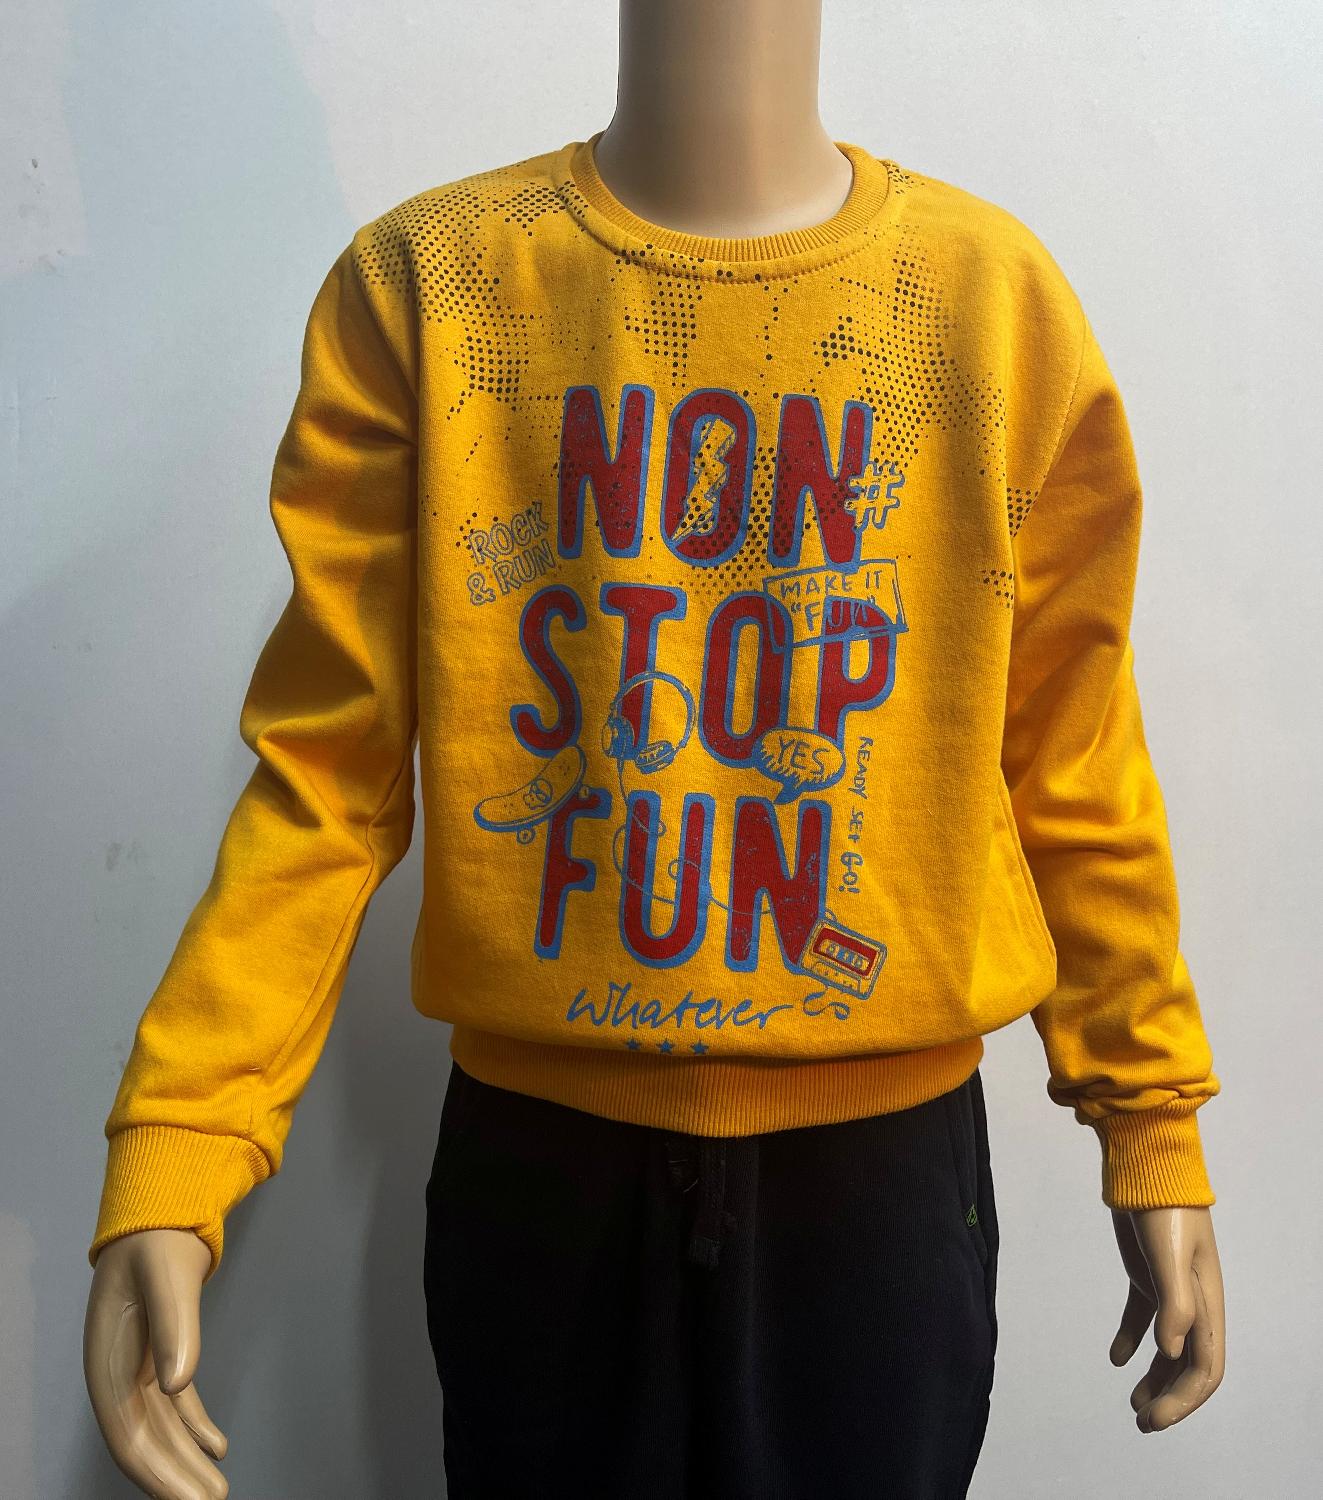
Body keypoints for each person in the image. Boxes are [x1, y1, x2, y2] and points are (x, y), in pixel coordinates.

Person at [83, 3, 1226, 1496]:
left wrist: (1151, 1117)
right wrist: (184, 1138)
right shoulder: (435, 289)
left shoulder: (986, 304)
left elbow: (1071, 759)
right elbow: (328, 778)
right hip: (543, 1188)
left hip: (879, 1194)